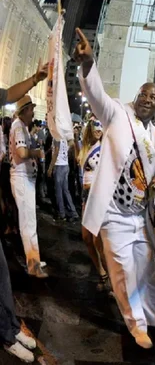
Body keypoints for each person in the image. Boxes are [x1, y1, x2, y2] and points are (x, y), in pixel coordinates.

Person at [73, 28, 155, 349]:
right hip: (113, 213)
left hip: (140, 214)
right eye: (145, 94)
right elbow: (96, 94)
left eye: (154, 98)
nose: (148, 100)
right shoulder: (117, 112)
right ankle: (136, 326)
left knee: (147, 270)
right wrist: (89, 64)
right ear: (137, 96)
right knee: (122, 272)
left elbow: (154, 175)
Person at [0, 68, 48, 363]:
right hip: (18, 179)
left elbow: (7, 94)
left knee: (2, 273)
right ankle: (7, 331)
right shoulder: (18, 127)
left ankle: (9, 326)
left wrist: (35, 78)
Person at [9, 95, 48, 278]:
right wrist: (36, 152)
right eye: (31, 109)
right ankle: (33, 266)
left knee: (30, 222)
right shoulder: (18, 127)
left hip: (26, 179)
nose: (33, 112)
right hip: (22, 179)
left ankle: (35, 259)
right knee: (28, 224)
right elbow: (22, 152)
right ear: (24, 110)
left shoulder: (22, 126)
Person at [79, 117, 108, 291]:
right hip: (86, 196)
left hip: (97, 197)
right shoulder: (85, 148)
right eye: (95, 126)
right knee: (86, 238)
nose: (98, 129)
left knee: (99, 242)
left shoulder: (103, 148)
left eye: (100, 127)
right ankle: (102, 272)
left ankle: (111, 281)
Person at [49, 136, 79, 222]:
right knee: (65, 190)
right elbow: (71, 146)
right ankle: (73, 212)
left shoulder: (56, 137)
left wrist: (50, 167)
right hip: (65, 165)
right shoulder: (65, 137)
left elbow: (56, 151)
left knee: (59, 191)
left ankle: (61, 213)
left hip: (59, 166)